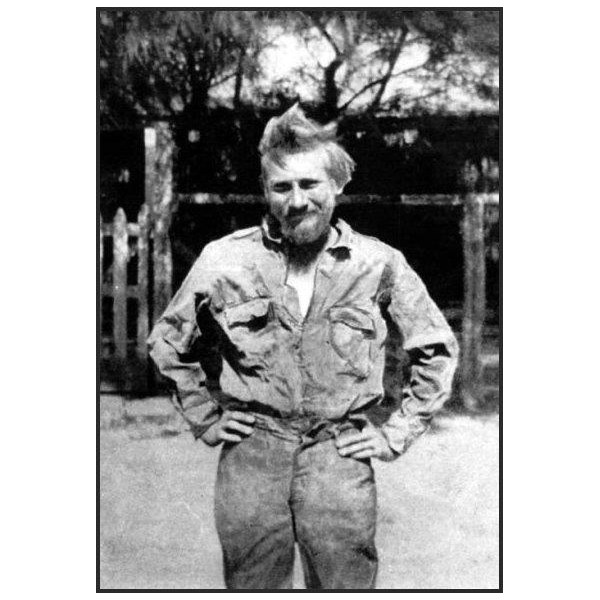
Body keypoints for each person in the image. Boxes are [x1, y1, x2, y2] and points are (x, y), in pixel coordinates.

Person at [147, 104, 459, 590]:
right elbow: (168, 340)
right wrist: (205, 416)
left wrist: (396, 432)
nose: (297, 201)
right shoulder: (224, 258)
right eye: (282, 187)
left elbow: (435, 349)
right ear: (266, 192)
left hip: (337, 453)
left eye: (310, 184)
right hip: (253, 453)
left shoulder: (378, 264)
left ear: (336, 185)